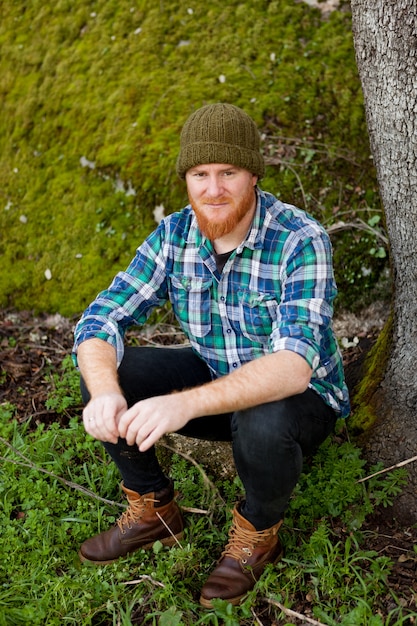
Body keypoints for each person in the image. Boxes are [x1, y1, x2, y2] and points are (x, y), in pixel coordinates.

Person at [72, 102, 350, 608]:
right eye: (200, 173)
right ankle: (153, 508)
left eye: (228, 172)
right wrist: (107, 391)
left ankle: (257, 534)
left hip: (298, 399)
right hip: (218, 376)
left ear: (253, 175)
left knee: (263, 420)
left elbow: (294, 365)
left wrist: (182, 405)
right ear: (187, 177)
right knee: (111, 368)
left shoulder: (299, 239)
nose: (213, 189)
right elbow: (99, 320)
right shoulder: (174, 236)